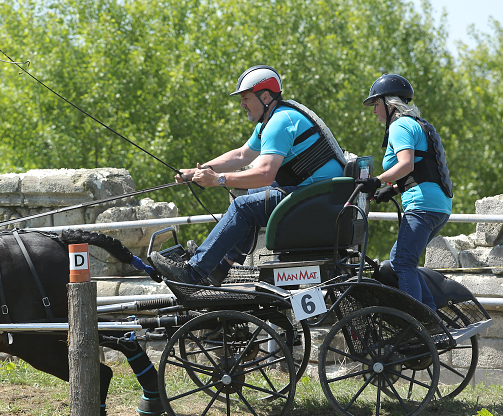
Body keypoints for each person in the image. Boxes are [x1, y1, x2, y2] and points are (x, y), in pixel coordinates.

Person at [149, 65, 345, 286]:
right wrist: (199, 170)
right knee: (253, 194)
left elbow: (264, 175)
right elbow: (242, 155)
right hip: (319, 198)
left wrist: (218, 180)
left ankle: (195, 271)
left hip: (317, 202)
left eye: (245, 98)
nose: (242, 105)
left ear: (265, 96)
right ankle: (221, 263)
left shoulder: (279, 123)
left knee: (244, 206)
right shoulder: (274, 118)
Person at [358, 74, 453, 311]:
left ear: (390, 106)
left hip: (421, 206)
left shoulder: (399, 125)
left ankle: (420, 322)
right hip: (439, 206)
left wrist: (377, 181)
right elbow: (423, 170)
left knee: (401, 262)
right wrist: (393, 189)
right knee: (402, 260)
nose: (374, 111)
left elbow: (406, 164)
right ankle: (429, 315)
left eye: (376, 104)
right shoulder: (419, 124)